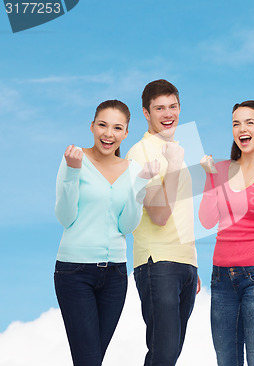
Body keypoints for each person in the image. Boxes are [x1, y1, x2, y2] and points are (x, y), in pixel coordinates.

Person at [54, 100, 158, 366]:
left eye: (117, 128)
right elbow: (65, 218)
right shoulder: (74, 158)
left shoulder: (133, 170)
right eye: (102, 125)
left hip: (115, 276)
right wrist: (72, 173)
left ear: (125, 133)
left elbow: (126, 227)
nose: (108, 134)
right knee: (88, 360)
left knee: (93, 359)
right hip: (74, 272)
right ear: (92, 126)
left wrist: (141, 186)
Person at [199, 100, 254, 366]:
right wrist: (210, 178)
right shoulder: (222, 170)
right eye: (236, 124)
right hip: (221, 278)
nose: (242, 129)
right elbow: (206, 220)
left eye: (249, 122)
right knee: (226, 360)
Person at [125, 79, 199, 366]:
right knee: (163, 354)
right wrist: (176, 167)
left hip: (184, 264)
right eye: (159, 108)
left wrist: (193, 264)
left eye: (173, 106)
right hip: (158, 263)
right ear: (146, 113)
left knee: (170, 354)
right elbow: (159, 215)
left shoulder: (179, 148)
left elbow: (183, 213)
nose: (168, 114)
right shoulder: (140, 153)